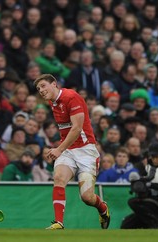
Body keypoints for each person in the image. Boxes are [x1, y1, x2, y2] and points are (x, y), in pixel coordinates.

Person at [34, 74, 110, 230]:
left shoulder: (71, 97)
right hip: (68, 150)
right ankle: (58, 222)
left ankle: (103, 208)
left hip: (86, 151)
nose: (41, 90)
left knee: (87, 197)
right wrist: (60, 148)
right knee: (59, 178)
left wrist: (58, 149)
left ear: (54, 84)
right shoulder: (53, 103)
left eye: (43, 86)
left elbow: (76, 128)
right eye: (38, 89)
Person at [121, 143, 158, 229]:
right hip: (151, 201)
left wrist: (150, 185)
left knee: (133, 202)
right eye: (151, 156)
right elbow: (144, 182)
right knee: (126, 225)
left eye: (156, 156)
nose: (154, 159)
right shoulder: (149, 167)